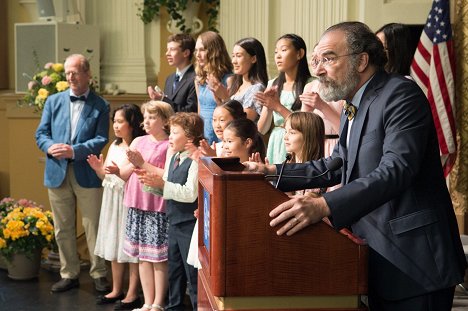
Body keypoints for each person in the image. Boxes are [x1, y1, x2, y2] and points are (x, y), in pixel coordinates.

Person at [244, 21, 466, 311]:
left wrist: (324, 205)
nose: (319, 70)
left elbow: (396, 169)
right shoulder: (354, 104)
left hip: (415, 263)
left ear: (362, 60)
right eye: (316, 60)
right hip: (375, 254)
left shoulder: (400, 95)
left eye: (328, 59)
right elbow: (337, 164)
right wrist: (271, 172)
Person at [35, 53, 110, 293]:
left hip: (87, 173)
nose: (70, 77)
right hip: (56, 172)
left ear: (88, 74)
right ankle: (69, 274)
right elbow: (41, 134)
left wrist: (74, 151)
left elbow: (101, 139)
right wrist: (49, 147)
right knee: (62, 227)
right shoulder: (53, 101)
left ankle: (99, 273)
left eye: (75, 72)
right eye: (68, 73)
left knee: (93, 226)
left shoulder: (101, 105)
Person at [137, 112, 204, 311]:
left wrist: (163, 184)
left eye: (175, 132)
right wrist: (151, 184)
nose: (170, 137)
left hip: (188, 225)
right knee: (174, 271)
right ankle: (173, 306)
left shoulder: (195, 160)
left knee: (191, 274)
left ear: (190, 137)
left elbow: (190, 194)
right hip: (173, 222)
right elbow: (167, 184)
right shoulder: (174, 156)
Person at [117, 100, 174, 311]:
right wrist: (113, 170)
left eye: (152, 117)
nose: (147, 121)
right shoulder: (139, 141)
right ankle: (147, 302)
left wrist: (141, 163)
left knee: (158, 257)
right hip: (136, 204)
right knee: (142, 255)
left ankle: (159, 303)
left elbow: (166, 174)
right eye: (146, 117)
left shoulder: (169, 144)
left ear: (165, 121)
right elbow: (125, 173)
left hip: (156, 206)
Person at [87, 104, 145, 309]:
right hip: (111, 200)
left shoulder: (138, 145)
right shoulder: (114, 145)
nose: (116, 126)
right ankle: (116, 288)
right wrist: (98, 169)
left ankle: (132, 292)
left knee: (130, 246)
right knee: (114, 241)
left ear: (133, 123)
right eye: (115, 121)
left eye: (121, 121)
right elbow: (107, 175)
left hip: (128, 200)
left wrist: (114, 171)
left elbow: (128, 174)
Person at [255, 33, 312, 164]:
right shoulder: (272, 84)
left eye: (284, 50)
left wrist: (277, 106)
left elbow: (305, 126)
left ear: (300, 54)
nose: (278, 56)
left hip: (299, 142)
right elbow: (262, 129)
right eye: (276, 52)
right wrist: (269, 108)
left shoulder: (310, 84)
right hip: (276, 140)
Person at [194, 31, 233, 145]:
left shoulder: (229, 79)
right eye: (196, 50)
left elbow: (232, 112)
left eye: (202, 50)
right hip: (204, 133)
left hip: (222, 133)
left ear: (214, 52)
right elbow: (199, 111)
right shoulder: (199, 80)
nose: (197, 54)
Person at [148, 34, 197, 113]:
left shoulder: (195, 78)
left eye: (172, 49)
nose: (167, 53)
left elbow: (190, 111)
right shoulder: (170, 78)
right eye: (167, 49)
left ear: (186, 53)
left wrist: (162, 99)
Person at [228, 37, 268, 121]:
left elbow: (245, 121)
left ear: (253, 59)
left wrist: (224, 97)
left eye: (238, 56)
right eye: (233, 56)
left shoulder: (256, 88)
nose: (233, 61)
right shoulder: (236, 84)